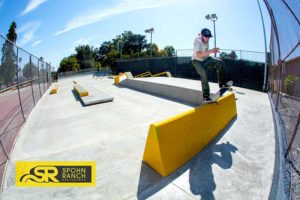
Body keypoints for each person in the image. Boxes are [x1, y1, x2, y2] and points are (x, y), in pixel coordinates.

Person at [192, 28, 229, 102]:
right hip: (197, 61)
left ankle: (222, 84)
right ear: (202, 36)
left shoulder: (205, 38)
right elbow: (198, 54)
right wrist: (211, 51)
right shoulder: (197, 41)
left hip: (205, 59)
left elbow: (201, 35)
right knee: (203, 73)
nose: (207, 38)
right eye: (205, 37)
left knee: (220, 63)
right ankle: (206, 96)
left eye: (208, 37)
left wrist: (201, 34)